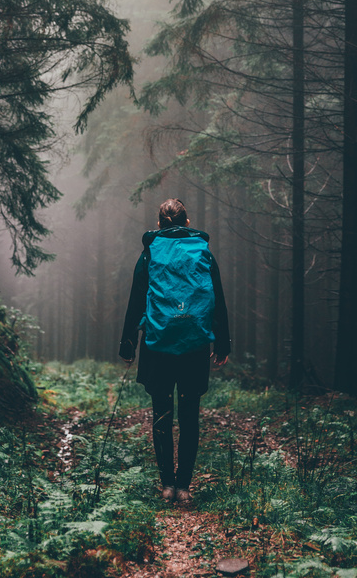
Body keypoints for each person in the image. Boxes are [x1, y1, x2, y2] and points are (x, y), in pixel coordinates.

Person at [119, 197, 231, 504]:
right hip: (195, 344)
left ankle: (167, 484)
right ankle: (184, 487)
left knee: (162, 413)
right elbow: (217, 298)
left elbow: (136, 299)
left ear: (158, 224)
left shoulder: (150, 252)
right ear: (187, 221)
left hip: (159, 344)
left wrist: (128, 344)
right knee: (190, 415)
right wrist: (223, 343)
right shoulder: (203, 252)